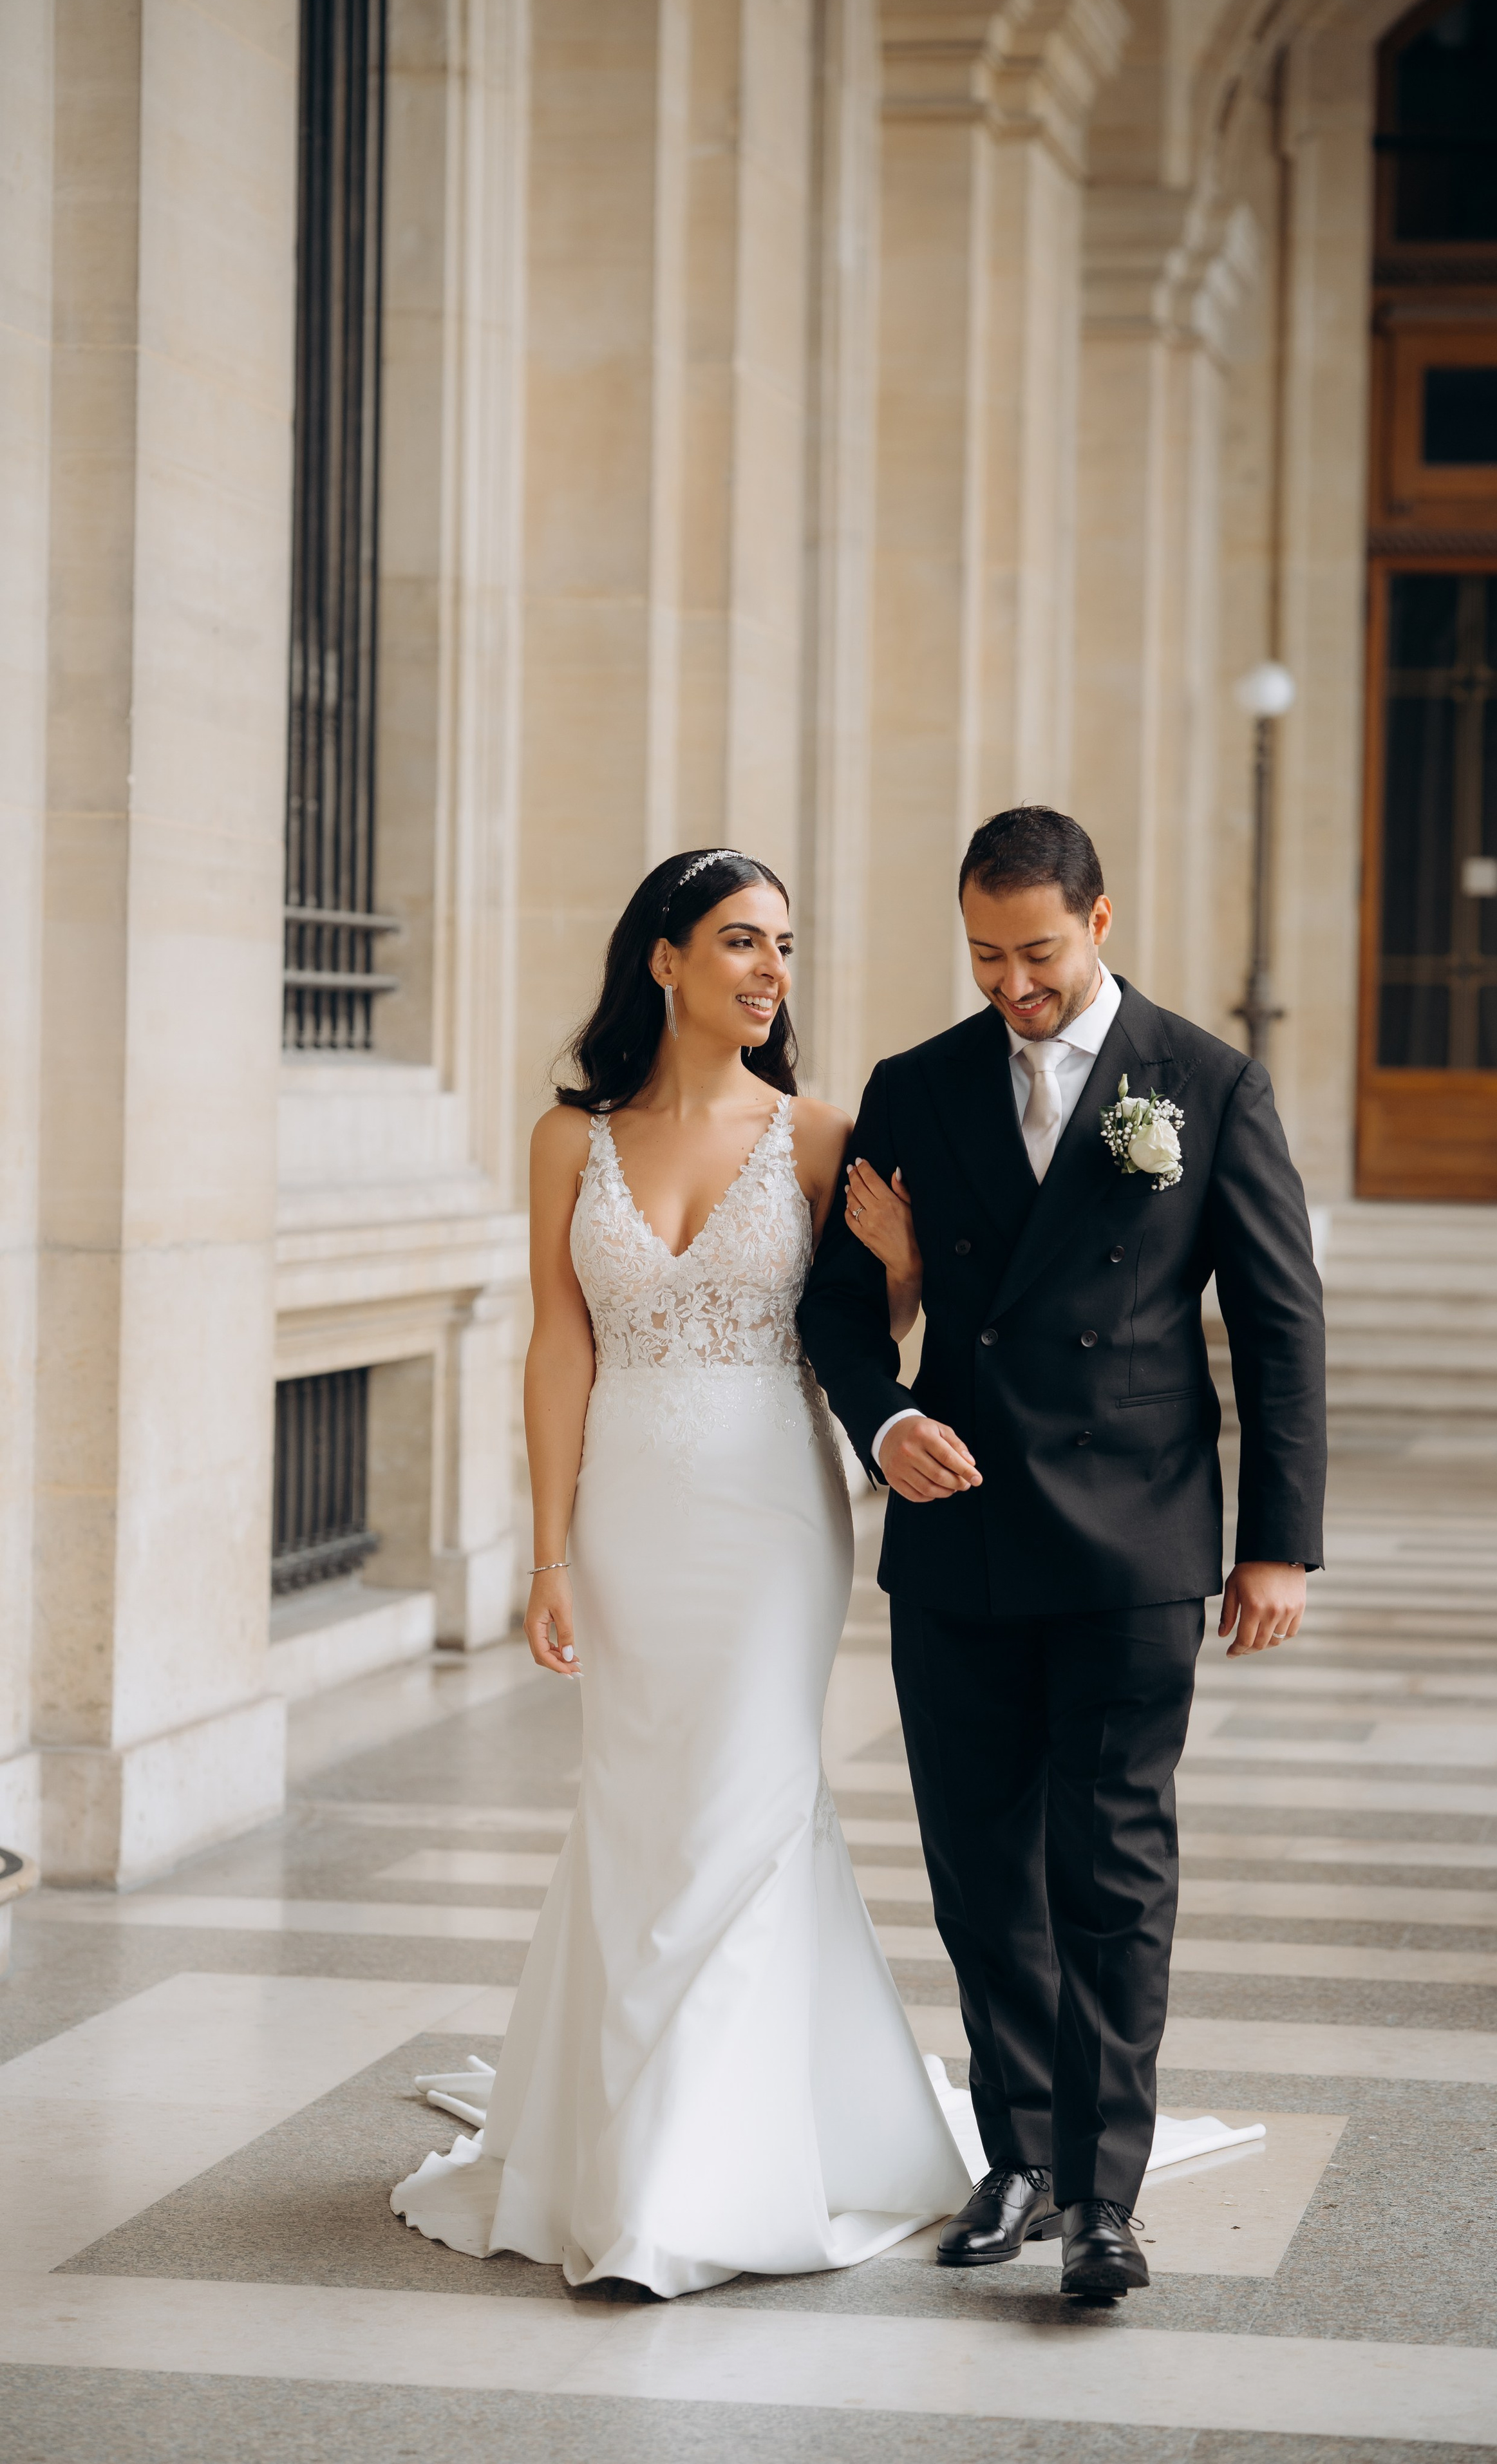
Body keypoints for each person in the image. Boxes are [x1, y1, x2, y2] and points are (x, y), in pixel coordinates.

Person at [391, 849, 971, 2297]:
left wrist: (903, 1269)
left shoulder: (823, 1136)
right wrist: (546, 1550)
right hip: (630, 1515)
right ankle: (625, 2144)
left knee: (745, 1803)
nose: (772, 972)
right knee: (641, 1804)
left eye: (784, 946)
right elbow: (559, 1344)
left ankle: (690, 2182)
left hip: (774, 1511)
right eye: (739, 942)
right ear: (663, 959)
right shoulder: (566, 1138)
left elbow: (861, 1336)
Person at [798, 805, 1326, 2302]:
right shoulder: (914, 1086)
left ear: (1098, 921)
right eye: (983, 955)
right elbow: (835, 1305)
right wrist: (884, 1416)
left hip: (1132, 1538)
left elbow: (1278, 1322)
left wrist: (1276, 1544)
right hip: (958, 1533)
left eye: (1034, 953)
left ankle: (1102, 2196)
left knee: (1108, 1872)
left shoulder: (1204, 1082)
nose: (1011, 985)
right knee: (979, 1871)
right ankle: (1017, 2157)